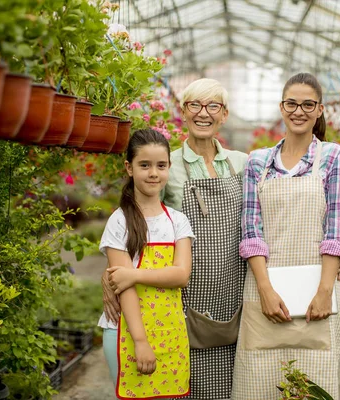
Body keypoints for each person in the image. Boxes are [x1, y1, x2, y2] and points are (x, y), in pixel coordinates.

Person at [103, 78, 248, 399]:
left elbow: (258, 226)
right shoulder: (170, 164)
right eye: (195, 105)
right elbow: (138, 222)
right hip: (181, 303)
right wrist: (112, 274)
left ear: (224, 115)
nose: (203, 113)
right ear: (183, 112)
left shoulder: (243, 164)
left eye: (213, 106)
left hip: (233, 296)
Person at [231, 72, 340, 399]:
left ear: (320, 110)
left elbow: (337, 229)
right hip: (263, 295)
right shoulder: (258, 163)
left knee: (313, 387)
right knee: (257, 387)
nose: (299, 111)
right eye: (292, 104)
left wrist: (324, 290)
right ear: (281, 108)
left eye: (307, 105)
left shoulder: (333, 157)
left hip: (318, 297)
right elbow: (251, 231)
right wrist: (266, 290)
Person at [97, 128, 195, 399]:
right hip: (126, 333)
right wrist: (140, 342)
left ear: (169, 168)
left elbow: (181, 275)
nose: (153, 173)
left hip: (169, 331)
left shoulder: (178, 220)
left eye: (161, 166)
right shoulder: (119, 221)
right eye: (145, 165)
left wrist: (135, 275)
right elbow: (122, 287)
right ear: (129, 168)